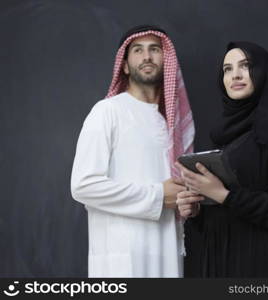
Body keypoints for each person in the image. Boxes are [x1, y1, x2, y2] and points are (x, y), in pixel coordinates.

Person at [176, 41, 268, 277]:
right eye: (227, 69)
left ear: (261, 73)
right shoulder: (223, 136)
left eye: (245, 66)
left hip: (260, 263)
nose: (235, 75)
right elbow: (223, 211)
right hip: (222, 259)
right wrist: (197, 210)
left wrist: (225, 195)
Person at [71, 25, 195, 277]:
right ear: (125, 65)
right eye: (137, 50)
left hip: (167, 255)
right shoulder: (107, 112)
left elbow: (180, 191)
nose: (147, 57)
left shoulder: (172, 126)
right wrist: (158, 195)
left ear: (166, 59)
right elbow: (83, 185)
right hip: (122, 258)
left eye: (154, 50)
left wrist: (187, 202)